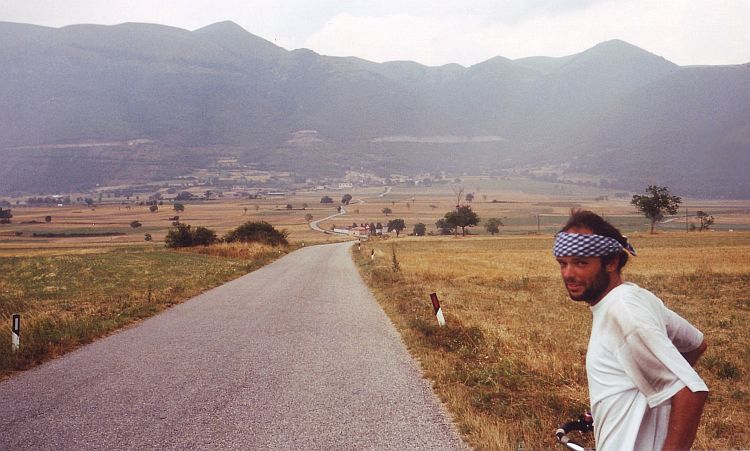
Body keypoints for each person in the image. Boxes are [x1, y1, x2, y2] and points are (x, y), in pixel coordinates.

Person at [553, 210, 708, 450]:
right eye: (563, 263)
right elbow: (696, 344)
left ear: (611, 262)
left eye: (581, 262)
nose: (568, 274)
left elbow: (691, 392)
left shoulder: (624, 312)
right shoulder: (637, 298)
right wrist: (634, 401)